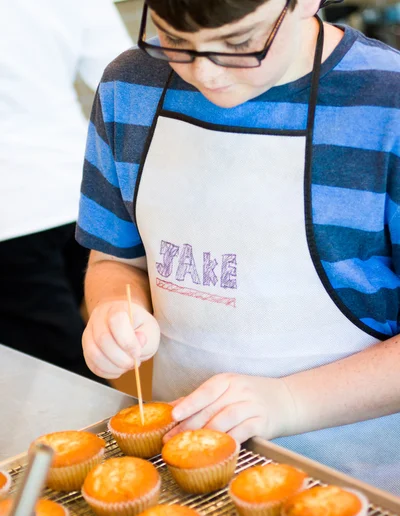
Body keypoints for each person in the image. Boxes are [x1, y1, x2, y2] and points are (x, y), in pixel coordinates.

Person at [77, 0, 400, 441]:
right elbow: (114, 261)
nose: (207, 74)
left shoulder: (387, 103)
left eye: (239, 43)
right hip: (181, 450)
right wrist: (113, 308)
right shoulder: (130, 87)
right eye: (175, 41)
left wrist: (289, 401)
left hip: (356, 476)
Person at [0, 0, 132, 380]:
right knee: (92, 352)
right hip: (78, 194)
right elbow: (123, 78)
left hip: (12, 220)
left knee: (58, 374)